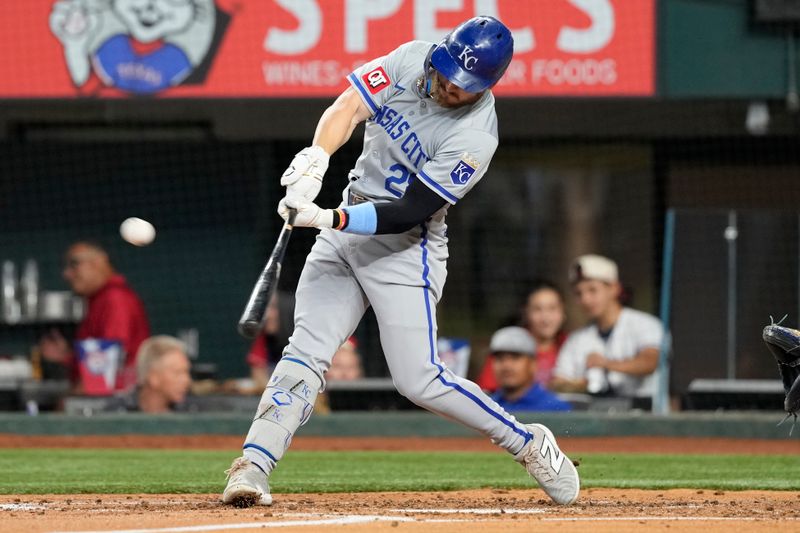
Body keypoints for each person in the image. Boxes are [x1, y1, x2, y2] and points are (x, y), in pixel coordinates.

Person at [222, 16, 579, 508]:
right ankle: (253, 466)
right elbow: (346, 108)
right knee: (305, 351)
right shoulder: (410, 58)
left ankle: (528, 442)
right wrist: (315, 160)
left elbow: (408, 211)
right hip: (344, 226)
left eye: (465, 87)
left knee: (419, 381)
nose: (453, 90)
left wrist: (328, 216)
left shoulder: (476, 136)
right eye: (449, 76)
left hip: (406, 249)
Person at [39, 241, 150, 392]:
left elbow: (103, 368)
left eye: (74, 264)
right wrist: (67, 357)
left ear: (99, 262)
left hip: (116, 402)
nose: (67, 274)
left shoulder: (115, 299)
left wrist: (71, 404)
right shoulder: (100, 299)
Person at [551, 254, 663, 399]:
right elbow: (557, 382)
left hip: (644, 416)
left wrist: (605, 364)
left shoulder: (645, 324)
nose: (585, 299)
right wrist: (581, 385)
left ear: (614, 288)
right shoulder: (577, 339)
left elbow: (650, 363)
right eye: (579, 293)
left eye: (592, 290)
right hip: (594, 417)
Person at [477, 280, 568, 391]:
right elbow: (487, 392)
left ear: (563, 312)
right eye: (537, 309)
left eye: (552, 308)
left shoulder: (572, 345)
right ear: (525, 313)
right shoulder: (508, 346)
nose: (546, 318)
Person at [489, 327, 571, 412]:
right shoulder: (487, 406)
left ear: (533, 364)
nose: (506, 366)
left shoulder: (555, 408)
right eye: (500, 358)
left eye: (515, 358)